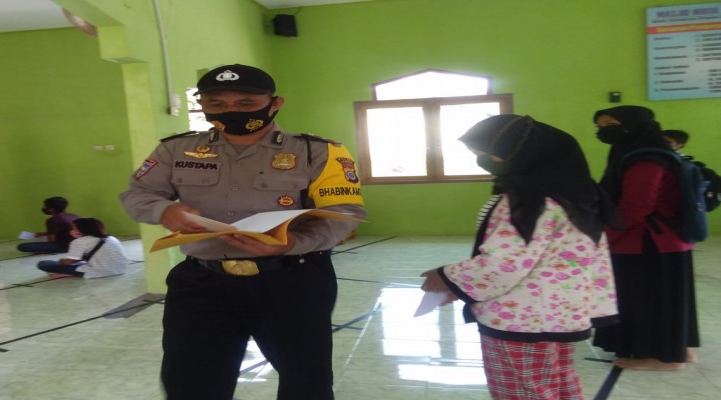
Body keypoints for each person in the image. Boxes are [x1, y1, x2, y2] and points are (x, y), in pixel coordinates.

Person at [120, 63, 365, 399]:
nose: (230, 111)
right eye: (216, 103)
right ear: (201, 104)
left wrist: (292, 242)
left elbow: (345, 213)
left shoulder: (317, 151)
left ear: (275, 103)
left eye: (246, 103)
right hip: (202, 282)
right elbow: (137, 194)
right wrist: (165, 210)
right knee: (189, 382)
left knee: (305, 381)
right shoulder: (175, 150)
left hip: (292, 280)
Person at [420, 115, 619, 399]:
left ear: (521, 153)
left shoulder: (529, 198)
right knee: (558, 384)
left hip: (521, 317)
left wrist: (444, 277)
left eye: (488, 154)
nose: (482, 160)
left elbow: (504, 263)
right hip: (561, 312)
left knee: (523, 389)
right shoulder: (576, 193)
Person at [590, 105, 700, 371]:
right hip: (663, 241)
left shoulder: (645, 159)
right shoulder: (643, 152)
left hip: (646, 242)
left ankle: (662, 357)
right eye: (600, 126)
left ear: (634, 125)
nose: (604, 131)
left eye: (611, 124)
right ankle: (679, 348)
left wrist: (605, 238)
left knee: (647, 300)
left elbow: (636, 207)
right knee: (666, 297)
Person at [36, 217, 130, 278]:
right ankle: (70, 273)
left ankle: (70, 273)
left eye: (74, 228)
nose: (72, 230)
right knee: (80, 262)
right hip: (121, 269)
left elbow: (69, 262)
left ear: (82, 230)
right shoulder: (112, 238)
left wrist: (61, 261)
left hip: (101, 271)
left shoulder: (79, 241)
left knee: (44, 264)